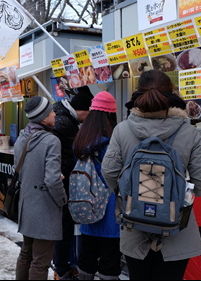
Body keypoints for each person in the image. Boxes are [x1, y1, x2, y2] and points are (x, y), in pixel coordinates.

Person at [102, 70, 201, 280]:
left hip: (134, 230)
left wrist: (128, 193)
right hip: (177, 232)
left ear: (137, 95)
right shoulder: (188, 132)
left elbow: (108, 172)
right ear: (171, 94)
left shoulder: (122, 129)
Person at [15, 96, 67, 280]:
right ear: (44, 117)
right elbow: (52, 180)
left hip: (26, 205)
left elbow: (21, 170)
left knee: (26, 253)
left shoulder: (23, 136)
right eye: (51, 111)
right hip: (44, 208)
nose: (54, 114)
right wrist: (62, 200)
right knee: (41, 261)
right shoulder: (51, 141)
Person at [72, 91, 121, 280]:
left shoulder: (81, 140)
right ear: (110, 115)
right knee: (110, 263)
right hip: (110, 213)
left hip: (87, 207)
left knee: (86, 261)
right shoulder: (112, 142)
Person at [52, 86, 94, 280]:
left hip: (61, 180)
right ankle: (61, 268)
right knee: (64, 227)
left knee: (63, 227)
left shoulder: (61, 116)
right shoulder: (65, 123)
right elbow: (75, 153)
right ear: (82, 111)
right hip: (63, 182)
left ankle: (62, 265)